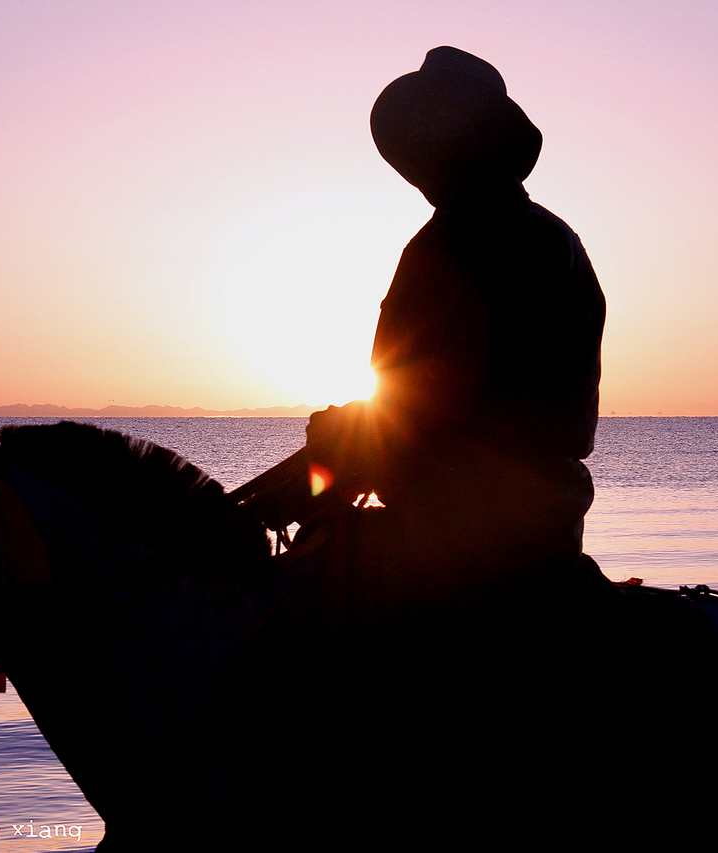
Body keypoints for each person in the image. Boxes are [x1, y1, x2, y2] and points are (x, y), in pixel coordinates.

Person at [237, 46, 606, 609]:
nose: (424, 154)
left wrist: (352, 436)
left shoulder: (519, 242)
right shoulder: (453, 239)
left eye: (437, 133)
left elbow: (458, 393)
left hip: (489, 531)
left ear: (482, 141)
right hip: (450, 516)